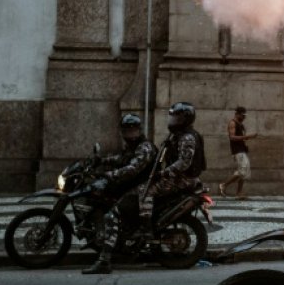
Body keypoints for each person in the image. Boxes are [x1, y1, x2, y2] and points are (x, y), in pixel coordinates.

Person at [82, 114, 158, 274]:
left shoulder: (144, 147)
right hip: (132, 186)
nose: (130, 134)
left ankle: (104, 261)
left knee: (111, 216)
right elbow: (122, 159)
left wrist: (111, 175)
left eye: (133, 131)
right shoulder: (131, 147)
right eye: (126, 131)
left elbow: (133, 168)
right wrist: (102, 161)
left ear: (139, 130)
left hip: (141, 188)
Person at [137, 102, 206, 245]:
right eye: (172, 118)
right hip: (181, 177)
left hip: (184, 178)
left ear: (186, 119)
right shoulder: (177, 135)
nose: (173, 121)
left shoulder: (187, 137)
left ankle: (146, 229)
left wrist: (163, 173)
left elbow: (183, 163)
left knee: (145, 190)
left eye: (177, 118)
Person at [219, 106, 256, 199]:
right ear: (237, 114)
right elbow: (232, 137)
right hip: (237, 150)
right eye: (243, 115)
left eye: (245, 116)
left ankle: (239, 193)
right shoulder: (232, 123)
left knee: (244, 172)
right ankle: (223, 185)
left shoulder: (241, 124)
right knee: (242, 170)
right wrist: (247, 136)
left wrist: (247, 138)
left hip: (242, 150)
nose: (244, 117)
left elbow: (241, 137)